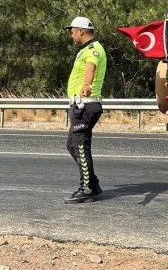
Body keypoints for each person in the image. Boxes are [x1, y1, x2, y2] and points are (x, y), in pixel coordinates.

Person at [63, 16, 107, 204]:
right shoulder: (85, 50)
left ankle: (86, 188)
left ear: (81, 31)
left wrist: (87, 84)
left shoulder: (93, 50)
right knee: (72, 145)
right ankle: (93, 184)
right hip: (80, 104)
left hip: (85, 105)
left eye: (72, 31)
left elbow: (90, 68)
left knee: (81, 147)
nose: (71, 35)